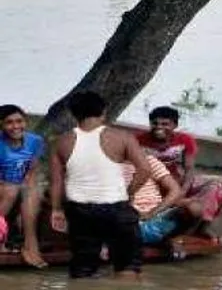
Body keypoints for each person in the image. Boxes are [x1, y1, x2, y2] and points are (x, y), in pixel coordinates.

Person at [49, 91, 153, 279]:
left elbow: (56, 182)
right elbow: (145, 169)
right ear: (104, 112)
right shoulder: (122, 137)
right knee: (127, 267)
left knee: (83, 269)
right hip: (117, 208)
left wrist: (56, 210)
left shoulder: (60, 142)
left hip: (79, 212)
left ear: (73, 114)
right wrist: (130, 192)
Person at [136, 106, 222, 236]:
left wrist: (182, 192)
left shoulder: (185, 140)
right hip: (153, 184)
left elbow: (189, 169)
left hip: (177, 180)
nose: (159, 127)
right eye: (155, 123)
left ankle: (204, 224)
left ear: (175, 125)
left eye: (165, 124)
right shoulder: (137, 140)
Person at [0, 104, 47, 267]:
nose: (15, 126)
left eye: (19, 121)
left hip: (20, 185)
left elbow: (32, 171)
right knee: (11, 190)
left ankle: (29, 246)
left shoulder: (35, 141)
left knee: (32, 193)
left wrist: (27, 189)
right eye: (9, 122)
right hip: (4, 187)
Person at [121, 154, 194, 245]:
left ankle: (172, 237)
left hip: (156, 216)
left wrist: (152, 213)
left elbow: (175, 190)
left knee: (194, 207)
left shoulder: (148, 160)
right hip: (128, 219)